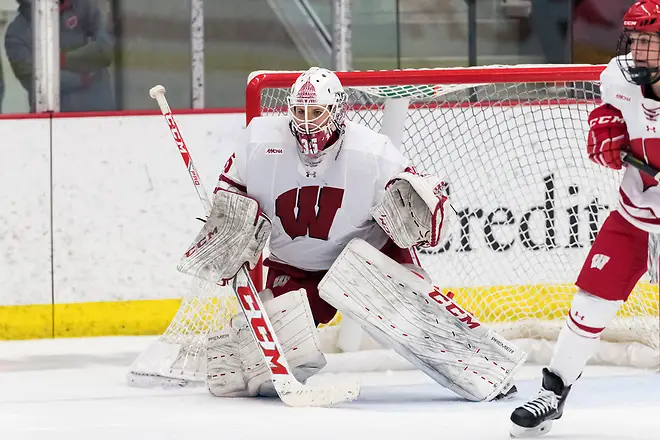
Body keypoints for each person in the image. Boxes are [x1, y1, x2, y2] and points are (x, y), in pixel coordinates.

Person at [179, 67, 524, 401]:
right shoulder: (259, 140)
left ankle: (485, 368)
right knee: (259, 358)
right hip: (296, 265)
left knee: (419, 321)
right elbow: (231, 191)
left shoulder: (371, 152)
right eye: (299, 110)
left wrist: (424, 212)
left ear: (337, 110)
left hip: (366, 257)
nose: (306, 120)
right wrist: (229, 228)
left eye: (316, 111)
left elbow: (419, 205)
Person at [510, 1, 660, 436]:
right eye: (635, 40)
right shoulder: (618, 77)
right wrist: (603, 127)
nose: (638, 51)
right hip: (632, 216)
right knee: (588, 305)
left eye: (650, 42)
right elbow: (611, 114)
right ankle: (552, 394)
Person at [5, 0, 115, 112]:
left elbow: (106, 50)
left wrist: (62, 60)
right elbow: (36, 83)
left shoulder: (84, 6)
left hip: (101, 115)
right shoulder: (15, 34)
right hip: (49, 121)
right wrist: (83, 77)